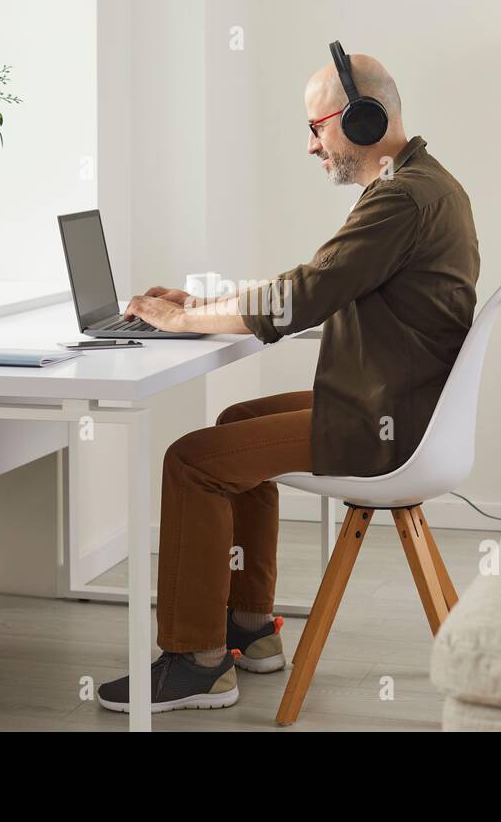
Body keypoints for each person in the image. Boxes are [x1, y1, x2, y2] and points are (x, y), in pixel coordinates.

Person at [95, 50, 480, 715]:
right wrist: (200, 308)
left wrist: (187, 320)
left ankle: (195, 664)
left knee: (191, 464)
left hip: (388, 427)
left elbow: (301, 297)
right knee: (236, 423)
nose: (311, 145)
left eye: (317, 127)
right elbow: (313, 283)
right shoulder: (418, 181)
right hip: (400, 407)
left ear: (363, 119)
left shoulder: (403, 196)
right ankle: (249, 626)